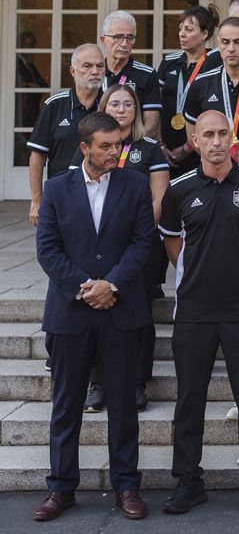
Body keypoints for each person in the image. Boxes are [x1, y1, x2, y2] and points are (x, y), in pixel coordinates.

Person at [34, 111, 154, 522]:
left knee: (122, 405)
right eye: (105, 146)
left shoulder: (135, 185)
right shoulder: (55, 189)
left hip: (120, 311)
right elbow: (48, 249)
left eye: (117, 144)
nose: (113, 152)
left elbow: (143, 244)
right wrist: (87, 287)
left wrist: (112, 285)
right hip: (70, 313)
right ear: (84, 147)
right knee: (66, 406)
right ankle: (60, 488)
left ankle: (126, 486)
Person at [158, 111, 239, 515]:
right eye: (206, 134)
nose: (214, 141)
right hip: (194, 310)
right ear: (193, 139)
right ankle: (188, 481)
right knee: (189, 398)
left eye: (221, 133)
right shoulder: (178, 190)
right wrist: (197, 274)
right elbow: (174, 246)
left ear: (232, 139)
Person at [70, 85, 169, 414]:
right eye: (115, 103)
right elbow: (74, 200)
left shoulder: (150, 149)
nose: (122, 109)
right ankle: (97, 383)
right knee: (97, 314)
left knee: (137, 314)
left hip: (138, 246)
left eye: (129, 104)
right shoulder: (84, 150)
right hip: (96, 246)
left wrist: (137, 234)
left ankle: (137, 382)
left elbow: (158, 199)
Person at [28, 43, 105, 225]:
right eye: (87, 66)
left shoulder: (112, 104)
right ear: (73, 70)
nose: (95, 71)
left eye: (100, 66)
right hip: (61, 199)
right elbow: (37, 156)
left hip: (104, 197)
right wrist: (36, 200)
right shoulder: (54, 105)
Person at [160, 5, 221, 176]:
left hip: (201, 152)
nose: (182, 34)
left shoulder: (216, 64)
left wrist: (188, 148)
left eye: (188, 29)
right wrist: (160, 145)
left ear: (204, 34)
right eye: (180, 29)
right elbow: (156, 105)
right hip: (166, 152)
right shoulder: (169, 62)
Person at [99, 10, 161, 138]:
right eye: (117, 37)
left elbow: (151, 126)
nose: (124, 44)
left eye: (130, 38)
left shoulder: (147, 74)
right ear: (103, 39)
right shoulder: (94, 73)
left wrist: (123, 148)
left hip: (133, 150)